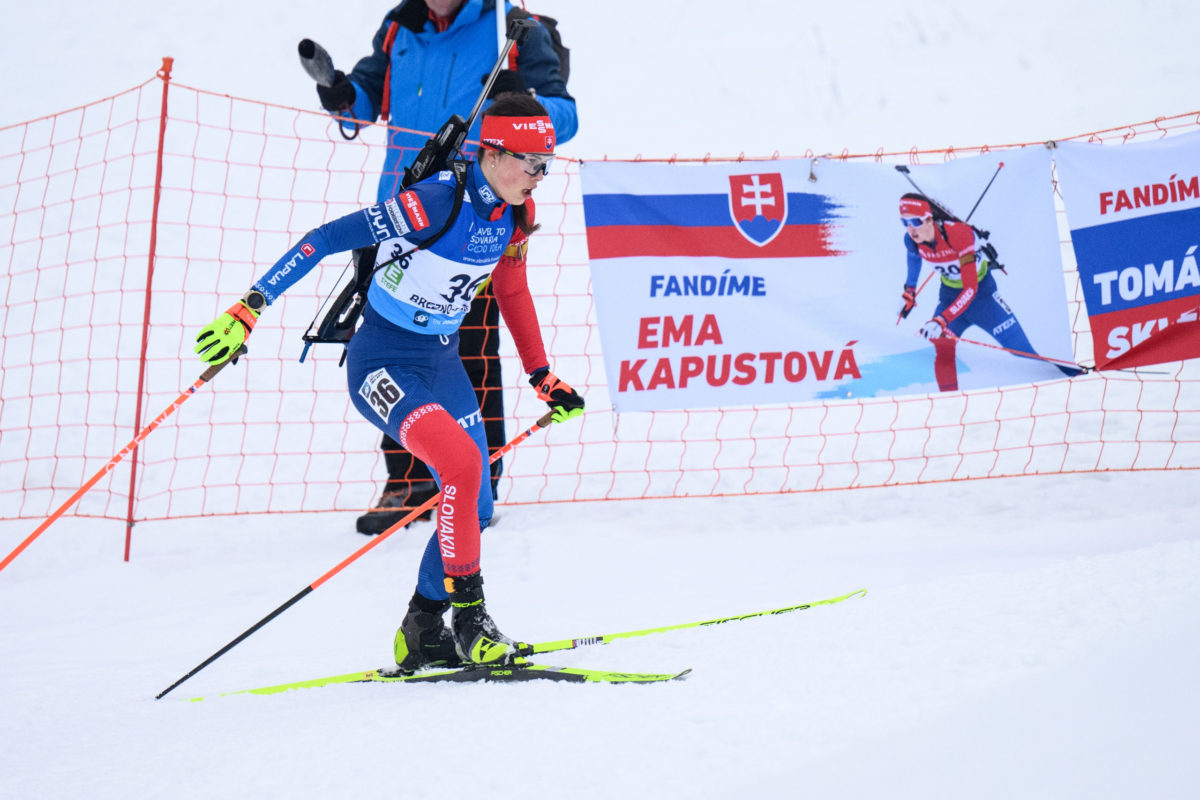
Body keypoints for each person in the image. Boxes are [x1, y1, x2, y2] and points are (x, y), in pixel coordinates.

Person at [194, 94, 585, 670]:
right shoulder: (434, 203)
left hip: (442, 363)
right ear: (494, 153)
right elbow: (326, 237)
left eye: (547, 164)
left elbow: (512, 292)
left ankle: (422, 626)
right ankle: (471, 620)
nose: (540, 176)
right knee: (461, 466)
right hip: (382, 364)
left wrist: (541, 375)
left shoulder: (514, 218)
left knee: (475, 502)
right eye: (531, 162)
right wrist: (249, 307)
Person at [315, 0, 577, 534]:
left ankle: (479, 481)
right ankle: (408, 482)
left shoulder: (510, 25)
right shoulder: (399, 27)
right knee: (394, 354)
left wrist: (521, 104)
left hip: (475, 220)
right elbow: (363, 106)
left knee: (471, 353)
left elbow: (564, 116)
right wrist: (342, 94)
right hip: (400, 221)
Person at [897, 193, 1080, 391]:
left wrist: (941, 319)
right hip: (949, 297)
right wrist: (909, 292)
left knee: (1022, 351)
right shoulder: (911, 240)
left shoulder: (959, 234)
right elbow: (914, 261)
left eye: (915, 221)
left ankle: (1079, 376)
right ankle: (948, 401)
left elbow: (970, 288)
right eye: (904, 222)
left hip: (983, 299)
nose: (911, 228)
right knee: (941, 350)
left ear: (929, 219)